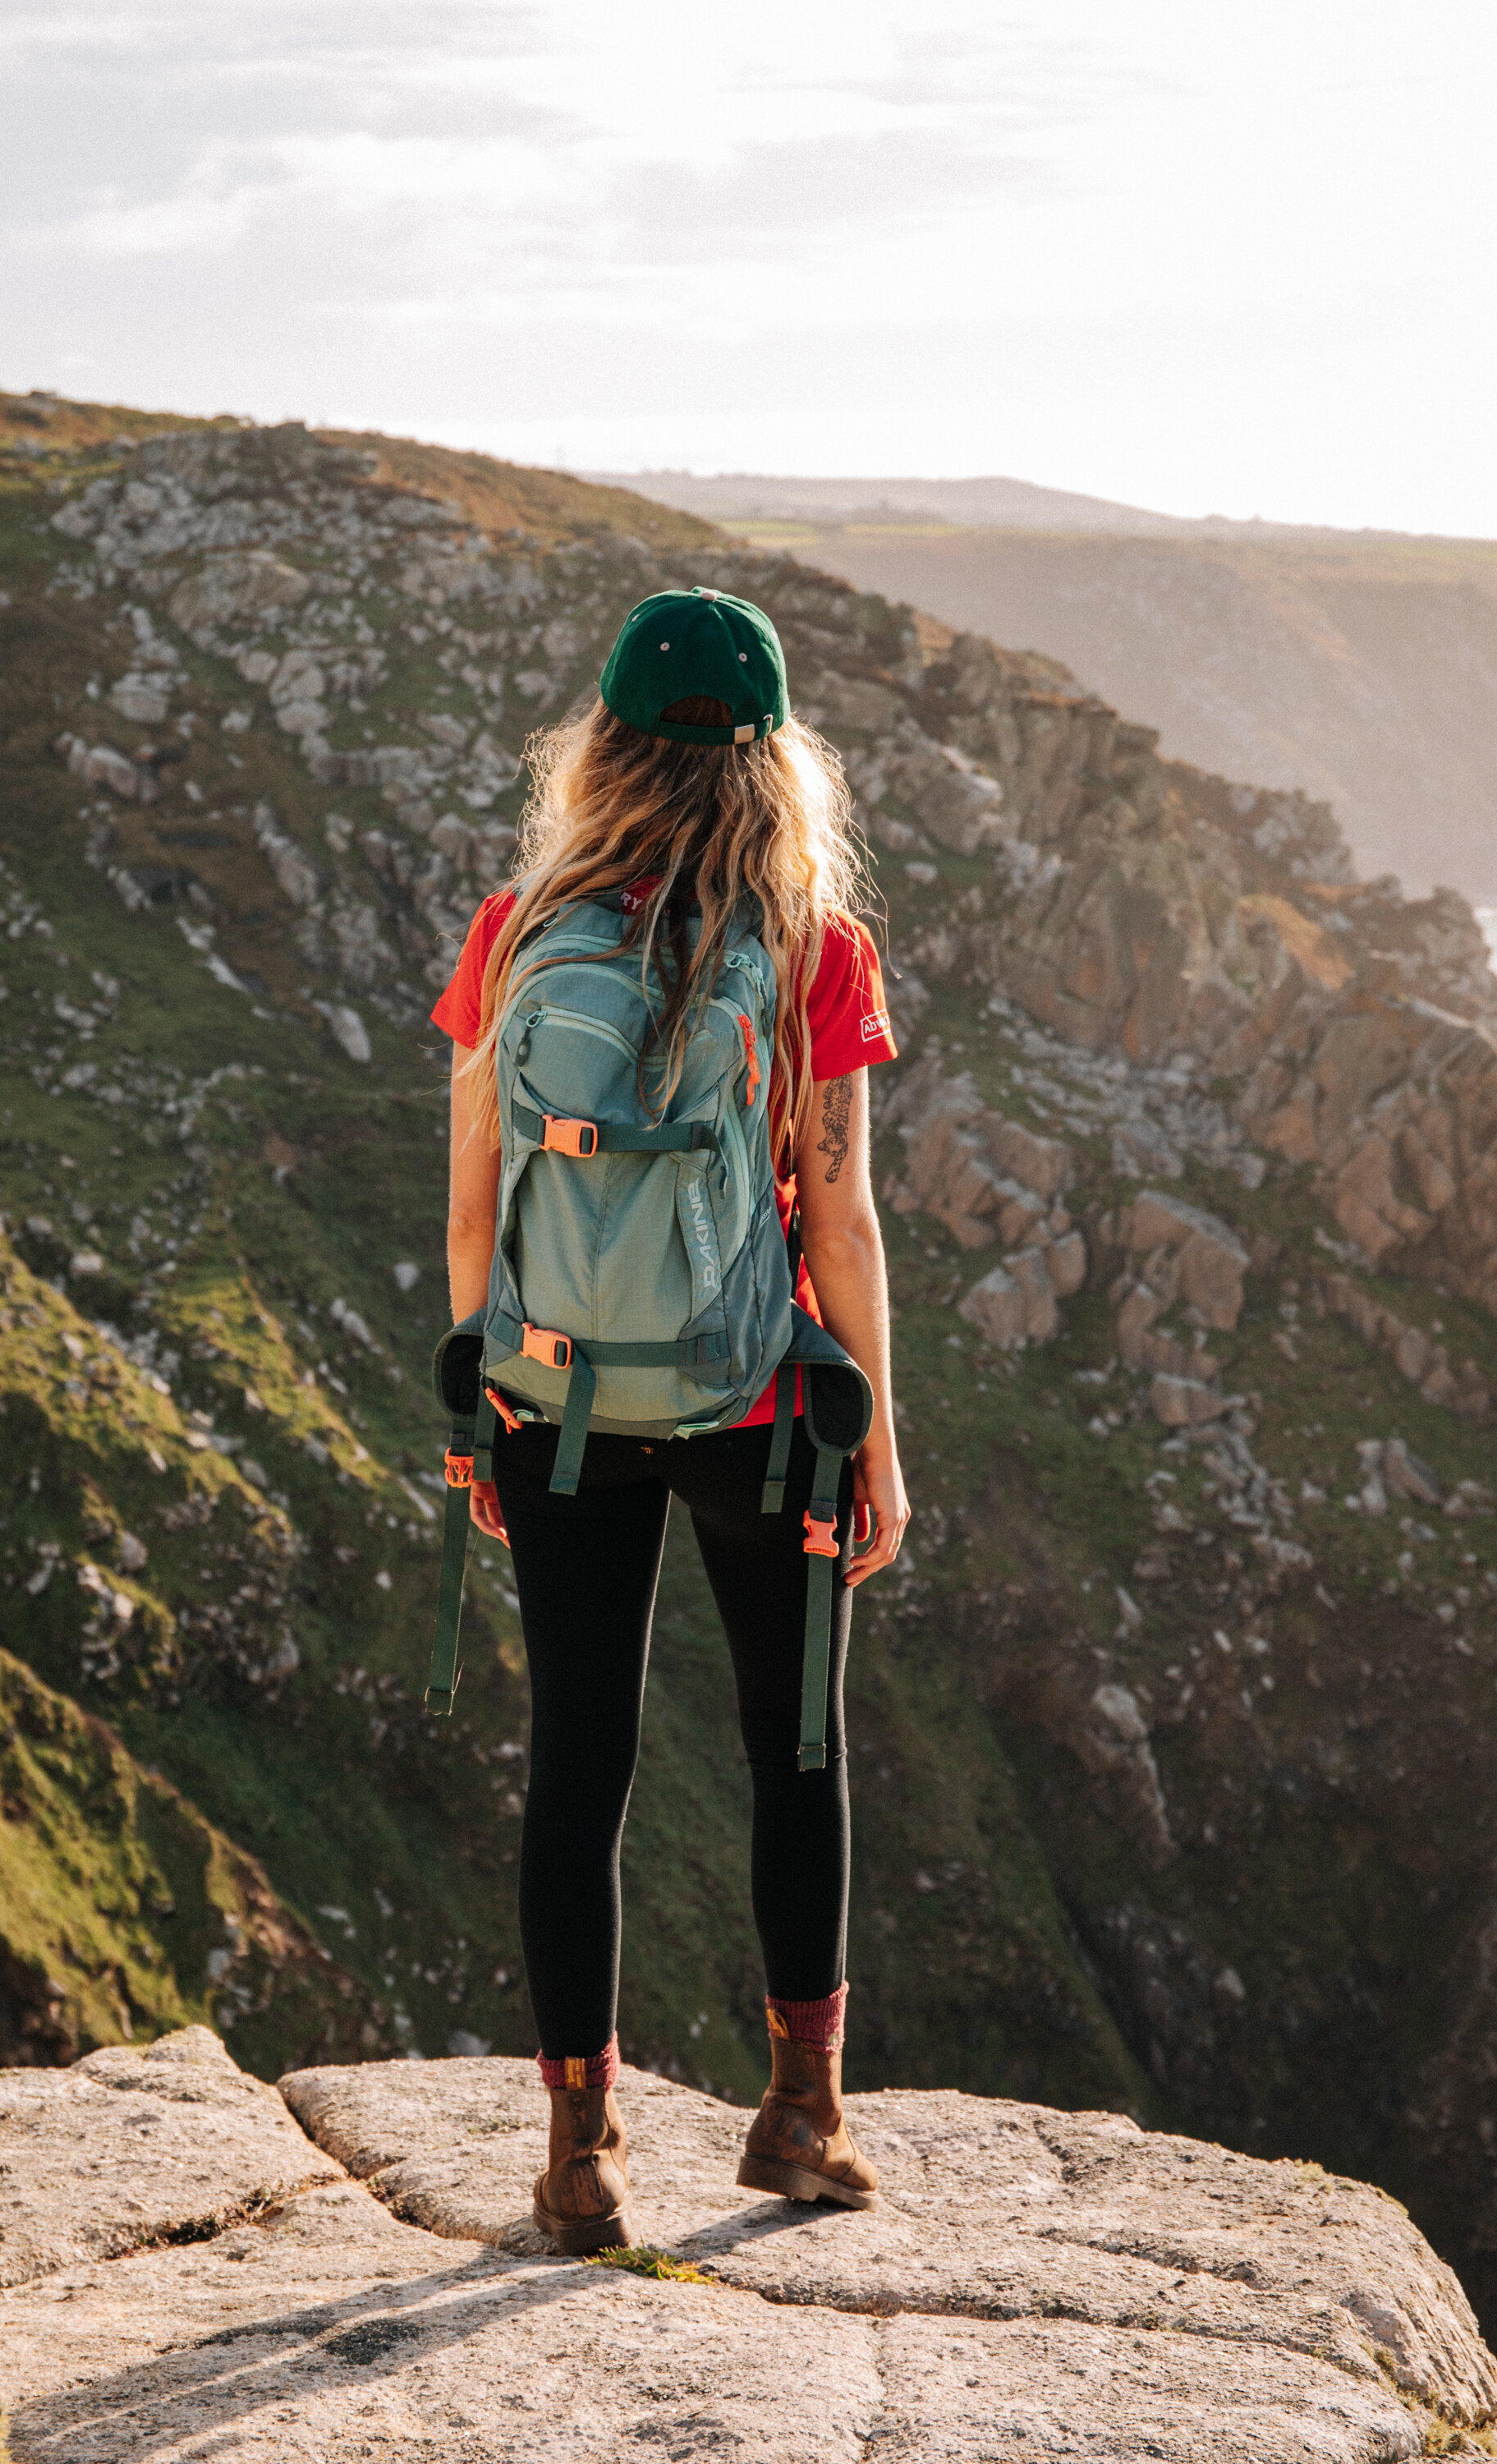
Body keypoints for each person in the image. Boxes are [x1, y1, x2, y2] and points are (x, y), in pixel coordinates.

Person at [432, 585, 909, 2253]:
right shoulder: (810, 953)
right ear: (775, 762)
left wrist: (481, 1395)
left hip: (555, 1400)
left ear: (606, 747)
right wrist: (879, 1441)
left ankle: (578, 2160)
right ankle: (800, 2118)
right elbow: (837, 1220)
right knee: (796, 1752)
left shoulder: (517, 931)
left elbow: (477, 1192)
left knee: (579, 1762)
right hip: (755, 1412)